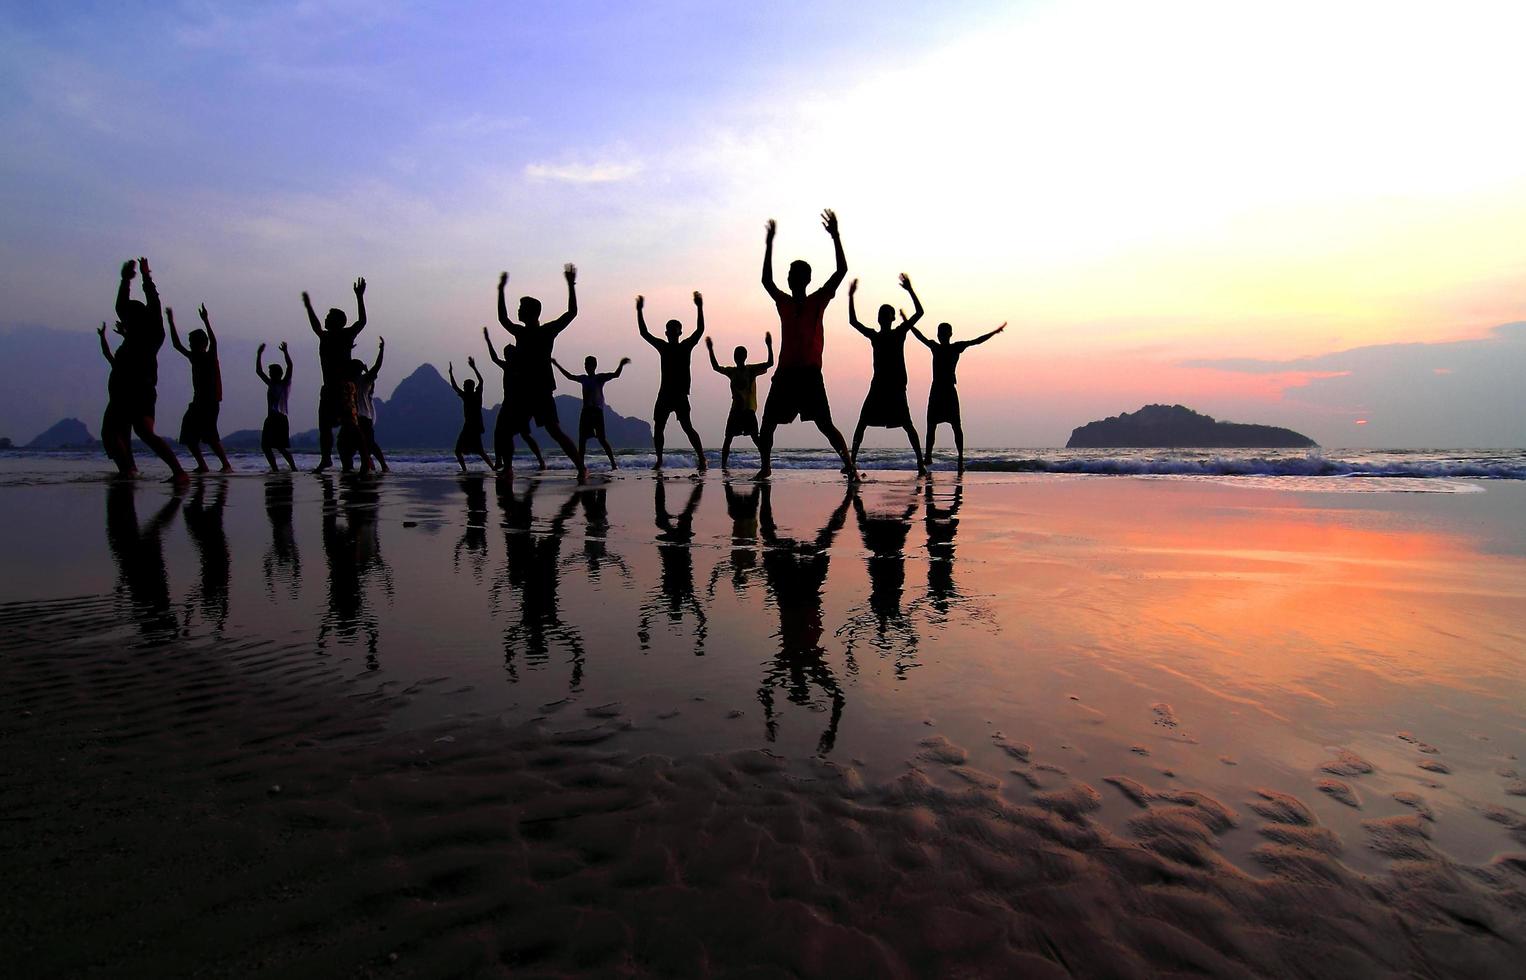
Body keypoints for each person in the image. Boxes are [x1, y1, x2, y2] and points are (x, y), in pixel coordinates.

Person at [756, 210, 853, 480]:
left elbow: (841, 271)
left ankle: (850, 465)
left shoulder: (818, 300)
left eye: (793, 274)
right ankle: (765, 467)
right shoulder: (784, 302)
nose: (789, 277)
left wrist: (835, 236)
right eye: (788, 273)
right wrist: (769, 244)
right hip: (786, 374)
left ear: (805, 279)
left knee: (825, 424)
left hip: (809, 375)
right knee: (767, 425)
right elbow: (766, 281)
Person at [495, 266, 586, 481]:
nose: (518, 311)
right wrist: (500, 291)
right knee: (509, 431)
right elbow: (503, 318)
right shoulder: (523, 331)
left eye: (521, 307)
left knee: (554, 431)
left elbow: (571, 313)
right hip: (525, 390)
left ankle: (581, 468)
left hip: (540, 389)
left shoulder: (545, 331)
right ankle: (508, 468)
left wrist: (571, 286)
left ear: (531, 312)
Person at [112, 257, 188, 484]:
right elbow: (152, 302)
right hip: (145, 387)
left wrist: (126, 279)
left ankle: (129, 470)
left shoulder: (141, 336)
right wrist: (145, 276)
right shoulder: (154, 333)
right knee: (142, 431)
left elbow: (122, 305)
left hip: (130, 387)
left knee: (116, 431)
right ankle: (176, 471)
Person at [848, 275, 926, 476]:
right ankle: (851, 461)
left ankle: (920, 463)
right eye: (883, 313)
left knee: (907, 425)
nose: (885, 316)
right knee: (863, 422)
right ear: (881, 318)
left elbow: (919, 312)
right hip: (880, 386)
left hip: (895, 386)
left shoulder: (898, 333)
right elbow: (853, 321)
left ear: (891, 318)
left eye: (887, 313)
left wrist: (910, 289)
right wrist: (850, 297)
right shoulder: (877, 335)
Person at [914, 319, 1006, 472]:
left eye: (943, 333)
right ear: (940, 334)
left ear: (949, 334)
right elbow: (920, 336)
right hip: (940, 390)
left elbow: (976, 341)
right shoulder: (940, 347)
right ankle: (933, 456)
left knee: (951, 426)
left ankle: (958, 458)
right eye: (940, 333)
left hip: (944, 391)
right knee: (936, 425)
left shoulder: (950, 347)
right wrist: (908, 324)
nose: (941, 335)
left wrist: (994, 332)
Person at [636, 291, 707, 470]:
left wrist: (699, 308)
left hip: (680, 394)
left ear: (679, 332)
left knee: (687, 427)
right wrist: (639, 312)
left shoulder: (685, 346)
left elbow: (700, 330)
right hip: (665, 394)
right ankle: (659, 460)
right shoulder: (663, 347)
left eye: (676, 329)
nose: (673, 332)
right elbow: (644, 333)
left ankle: (702, 458)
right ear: (667, 332)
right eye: (671, 329)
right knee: (659, 428)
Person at [303, 276, 367, 473]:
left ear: (337, 321)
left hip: (344, 387)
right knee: (324, 426)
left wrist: (359, 297)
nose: (325, 319)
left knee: (351, 426)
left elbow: (362, 321)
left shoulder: (346, 335)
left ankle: (365, 460)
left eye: (328, 317)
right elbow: (315, 326)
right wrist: (309, 308)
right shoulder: (325, 336)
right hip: (329, 387)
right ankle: (326, 459)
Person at [168, 304, 232, 472]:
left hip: (210, 402)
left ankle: (226, 465)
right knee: (189, 435)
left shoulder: (209, 356)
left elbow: (214, 341)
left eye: (192, 342)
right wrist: (170, 322)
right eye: (189, 342)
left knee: (210, 435)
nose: (189, 345)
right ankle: (202, 465)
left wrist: (205, 320)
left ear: (200, 343)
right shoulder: (194, 357)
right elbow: (176, 344)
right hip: (198, 402)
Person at [481, 327, 547, 473]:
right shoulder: (507, 366)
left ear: (513, 355)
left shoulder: (522, 367)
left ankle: (540, 461)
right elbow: (494, 358)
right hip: (508, 404)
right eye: (505, 354)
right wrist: (488, 341)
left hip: (521, 406)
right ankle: (501, 461)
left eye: (508, 354)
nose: (505, 356)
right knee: (500, 432)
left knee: (521, 434)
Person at [705, 331, 773, 470]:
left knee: (755, 439)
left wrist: (769, 346)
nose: (738, 358)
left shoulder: (751, 370)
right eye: (736, 356)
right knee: (728, 439)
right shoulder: (732, 372)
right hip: (736, 410)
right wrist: (711, 350)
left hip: (748, 410)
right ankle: (723, 467)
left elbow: (770, 363)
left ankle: (765, 464)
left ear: (744, 357)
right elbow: (716, 367)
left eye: (740, 356)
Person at [552, 354, 630, 470]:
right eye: (585, 364)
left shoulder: (600, 378)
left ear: (594, 366)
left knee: (601, 439)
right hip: (586, 411)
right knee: (582, 440)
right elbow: (569, 376)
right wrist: (557, 365)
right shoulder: (583, 378)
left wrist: (621, 365)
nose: (586, 367)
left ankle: (613, 463)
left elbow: (616, 375)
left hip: (596, 411)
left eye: (588, 364)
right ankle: (581, 465)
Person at [97, 320, 136, 476]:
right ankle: (129, 469)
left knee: (110, 434)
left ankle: (127, 469)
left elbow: (131, 347)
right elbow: (107, 353)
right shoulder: (119, 365)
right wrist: (102, 336)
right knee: (122, 437)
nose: (117, 353)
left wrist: (126, 335)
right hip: (119, 403)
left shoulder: (125, 367)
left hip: (120, 403)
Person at [255, 341, 297, 472]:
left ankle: (293, 468)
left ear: (276, 374)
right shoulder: (271, 384)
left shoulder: (284, 384)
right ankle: (275, 469)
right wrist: (259, 354)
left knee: (280, 447)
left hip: (279, 418)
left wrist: (285, 352)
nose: (269, 374)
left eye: (271, 372)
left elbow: (290, 366)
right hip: (271, 418)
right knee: (266, 446)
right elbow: (259, 371)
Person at [448, 359, 497, 472]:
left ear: (469, 387)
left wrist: (451, 373)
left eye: (465, 385)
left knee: (462, 450)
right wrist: (473, 368)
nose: (463, 387)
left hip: (472, 426)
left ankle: (467, 469)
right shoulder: (474, 395)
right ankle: (491, 467)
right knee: (478, 450)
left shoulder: (471, 396)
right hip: (473, 426)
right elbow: (480, 381)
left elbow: (456, 386)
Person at [349, 339, 389, 472]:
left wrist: (381, 350)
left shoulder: (364, 380)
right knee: (360, 443)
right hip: (354, 417)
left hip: (363, 416)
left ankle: (381, 465)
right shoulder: (349, 383)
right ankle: (369, 463)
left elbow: (377, 366)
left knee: (369, 443)